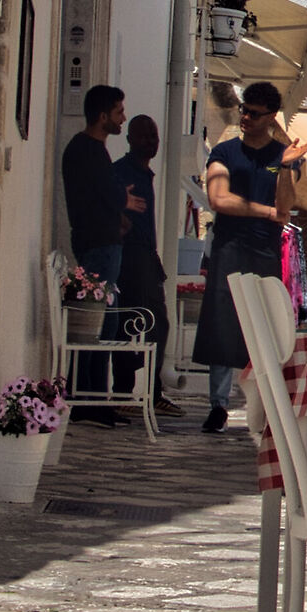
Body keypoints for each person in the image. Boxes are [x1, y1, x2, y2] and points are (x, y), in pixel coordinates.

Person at [192, 81, 307, 433]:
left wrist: (288, 165)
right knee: (222, 321)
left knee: (264, 327)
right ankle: (218, 403)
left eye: (254, 113)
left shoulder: (279, 159)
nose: (245, 117)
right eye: (244, 110)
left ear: (270, 117)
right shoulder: (224, 152)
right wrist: (265, 212)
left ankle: (260, 407)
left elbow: (285, 205)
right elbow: (218, 198)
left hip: (263, 250)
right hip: (229, 244)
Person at [60, 84, 142, 420]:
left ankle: (93, 397)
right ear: (103, 115)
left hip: (104, 243)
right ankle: (88, 400)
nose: (123, 118)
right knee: (95, 324)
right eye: (119, 112)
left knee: (103, 324)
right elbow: (99, 193)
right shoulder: (86, 149)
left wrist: (119, 207)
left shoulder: (93, 150)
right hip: (98, 247)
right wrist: (121, 199)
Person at [115, 113, 172, 410]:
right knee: (134, 322)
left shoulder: (144, 173)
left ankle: (151, 390)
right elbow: (113, 209)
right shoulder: (123, 172)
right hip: (132, 257)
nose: (151, 142)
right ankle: (126, 390)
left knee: (155, 324)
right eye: (144, 136)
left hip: (147, 256)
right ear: (130, 139)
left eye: (154, 136)